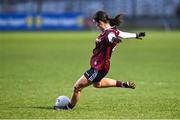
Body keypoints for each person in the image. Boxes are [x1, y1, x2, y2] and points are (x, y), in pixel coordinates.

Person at [54, 11, 145, 110]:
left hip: (99, 68)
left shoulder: (109, 33)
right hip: (101, 66)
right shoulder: (112, 31)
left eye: (97, 23)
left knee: (77, 87)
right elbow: (123, 34)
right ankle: (124, 84)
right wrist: (136, 35)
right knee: (98, 84)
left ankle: (68, 107)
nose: (97, 26)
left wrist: (113, 40)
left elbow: (111, 38)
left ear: (101, 21)